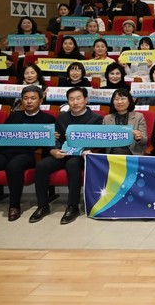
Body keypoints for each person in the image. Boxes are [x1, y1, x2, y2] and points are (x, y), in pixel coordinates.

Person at [0, 85, 56, 222]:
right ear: (21, 100)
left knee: (13, 166)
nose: (29, 101)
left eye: (33, 98)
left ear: (41, 100)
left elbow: (48, 143)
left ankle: (14, 205)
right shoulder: (14, 116)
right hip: (7, 152)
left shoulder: (48, 119)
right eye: (25, 98)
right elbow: (3, 135)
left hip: (28, 154)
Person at [29, 87, 103, 225]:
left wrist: (89, 150)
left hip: (81, 156)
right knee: (41, 165)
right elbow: (56, 138)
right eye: (71, 99)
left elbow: (99, 140)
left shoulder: (96, 118)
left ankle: (72, 207)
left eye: (78, 98)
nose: (75, 102)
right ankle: (42, 205)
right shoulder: (62, 118)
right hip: (62, 153)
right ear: (68, 101)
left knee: (72, 164)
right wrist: (53, 150)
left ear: (86, 100)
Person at [102, 88, 147, 155]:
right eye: (116, 99)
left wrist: (138, 138)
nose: (119, 102)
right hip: (112, 154)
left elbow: (144, 140)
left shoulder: (138, 117)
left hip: (132, 154)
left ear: (129, 101)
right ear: (113, 102)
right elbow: (103, 140)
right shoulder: (107, 118)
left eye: (123, 99)